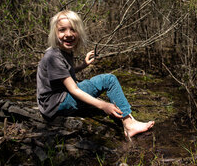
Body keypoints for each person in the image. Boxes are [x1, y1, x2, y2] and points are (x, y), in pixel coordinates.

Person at [36, 10, 154, 140]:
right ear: (54, 33)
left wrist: (83, 65)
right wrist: (103, 105)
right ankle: (129, 124)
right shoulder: (53, 56)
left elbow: (63, 73)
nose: (68, 34)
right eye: (62, 30)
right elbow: (73, 90)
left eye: (73, 29)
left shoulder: (63, 51)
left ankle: (129, 120)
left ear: (79, 32)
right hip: (56, 105)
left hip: (53, 103)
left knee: (100, 83)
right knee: (109, 80)